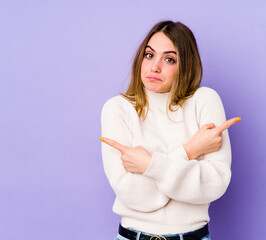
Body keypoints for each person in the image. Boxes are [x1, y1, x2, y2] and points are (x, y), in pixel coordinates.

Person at [100, 20, 241, 240]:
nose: (154, 67)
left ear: (185, 64)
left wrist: (148, 165)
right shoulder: (117, 109)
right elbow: (132, 194)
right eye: (149, 55)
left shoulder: (204, 101)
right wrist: (190, 150)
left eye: (169, 59)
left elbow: (215, 183)